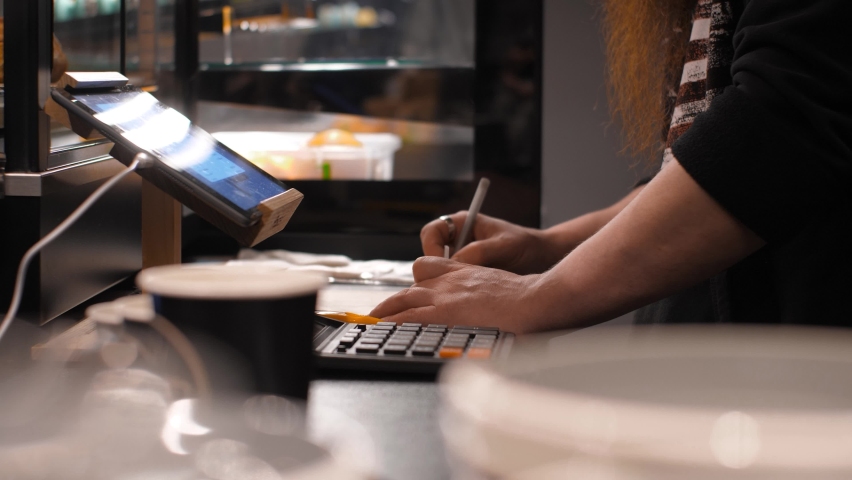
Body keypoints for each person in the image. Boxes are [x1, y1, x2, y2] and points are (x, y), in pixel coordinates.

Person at [370, 0, 852, 333]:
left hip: (794, 393)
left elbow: (776, 133)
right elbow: (695, 165)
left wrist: (535, 297)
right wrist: (547, 247)